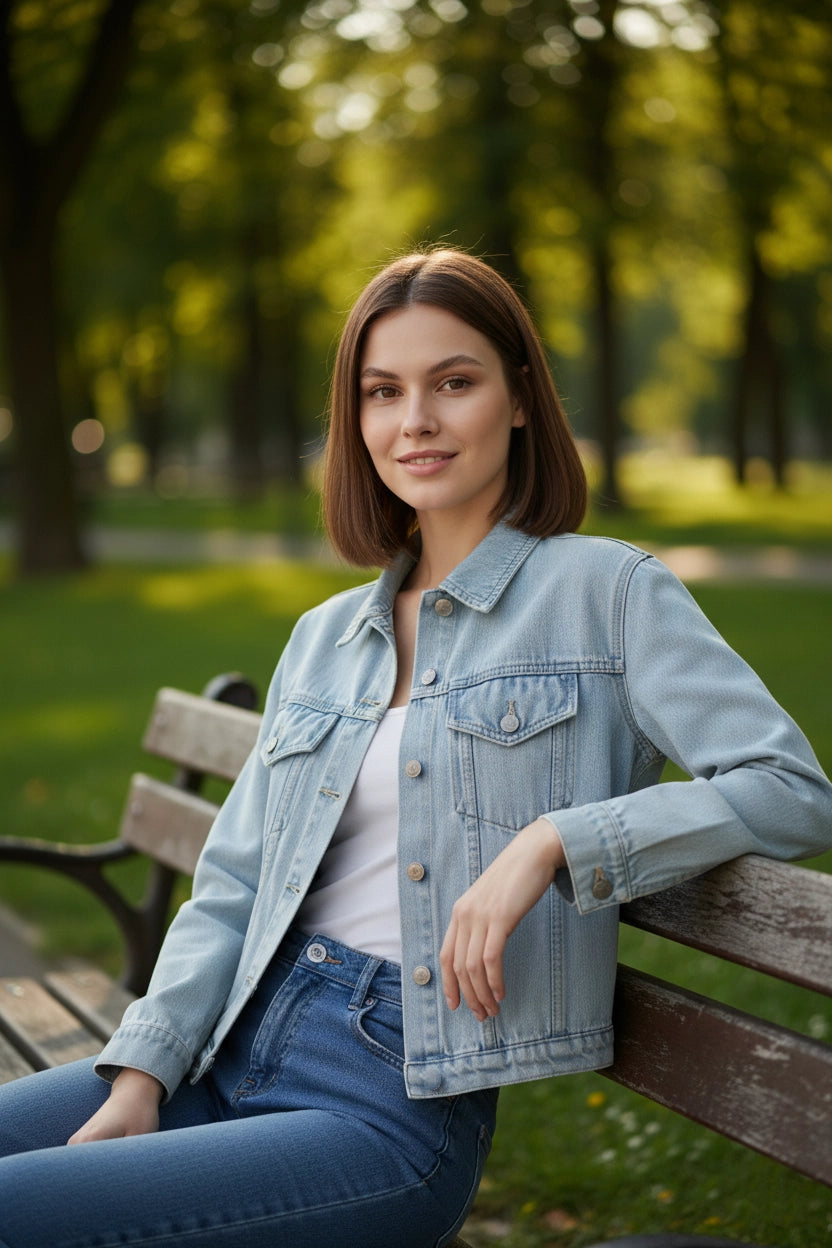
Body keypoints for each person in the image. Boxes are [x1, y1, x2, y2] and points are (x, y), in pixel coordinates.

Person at [1, 248, 830, 1248]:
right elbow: (232, 885)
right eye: (382, 392)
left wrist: (554, 841)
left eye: (454, 382)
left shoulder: (605, 592)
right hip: (228, 1047)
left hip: (383, 1109)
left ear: (519, 399)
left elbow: (789, 790)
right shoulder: (323, 637)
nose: (415, 422)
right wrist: (141, 1079)